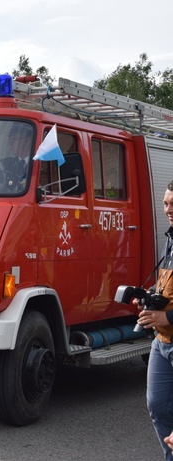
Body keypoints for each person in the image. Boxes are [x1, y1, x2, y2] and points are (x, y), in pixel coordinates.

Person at [139, 180, 173, 459]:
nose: (168, 209)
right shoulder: (170, 239)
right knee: (158, 407)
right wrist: (150, 297)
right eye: (165, 203)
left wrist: (167, 316)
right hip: (161, 342)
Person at [0, 124, 33, 191]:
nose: (10, 143)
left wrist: (32, 186)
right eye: (10, 139)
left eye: (14, 139)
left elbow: (45, 190)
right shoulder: (5, 163)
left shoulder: (40, 164)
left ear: (27, 140)